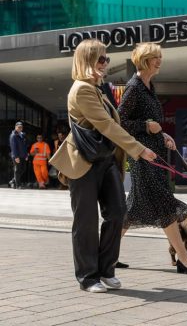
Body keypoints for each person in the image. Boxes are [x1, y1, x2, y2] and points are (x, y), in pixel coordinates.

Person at [49, 39, 157, 293]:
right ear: (86, 60)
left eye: (106, 59)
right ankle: (88, 277)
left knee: (118, 213)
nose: (106, 63)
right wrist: (139, 149)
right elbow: (107, 126)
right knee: (85, 221)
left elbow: (112, 125)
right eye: (101, 59)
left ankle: (106, 269)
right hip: (83, 162)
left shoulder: (97, 89)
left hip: (105, 160)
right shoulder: (82, 90)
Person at [118, 42, 187, 275]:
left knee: (132, 209)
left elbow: (150, 123)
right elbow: (119, 122)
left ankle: (106, 253)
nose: (160, 61)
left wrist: (163, 133)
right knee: (164, 204)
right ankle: (184, 259)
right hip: (142, 156)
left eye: (160, 57)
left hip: (154, 152)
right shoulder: (134, 87)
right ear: (145, 60)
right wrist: (147, 126)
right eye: (156, 57)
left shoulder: (148, 86)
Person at [9, 121, 29, 189]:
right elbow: (13, 147)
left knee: (23, 169)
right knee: (17, 170)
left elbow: (25, 146)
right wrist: (16, 157)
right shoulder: (13, 135)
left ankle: (13, 181)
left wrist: (26, 155)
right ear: (15, 127)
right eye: (19, 127)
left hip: (23, 155)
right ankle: (18, 185)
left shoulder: (23, 134)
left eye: (21, 127)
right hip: (17, 156)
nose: (20, 128)